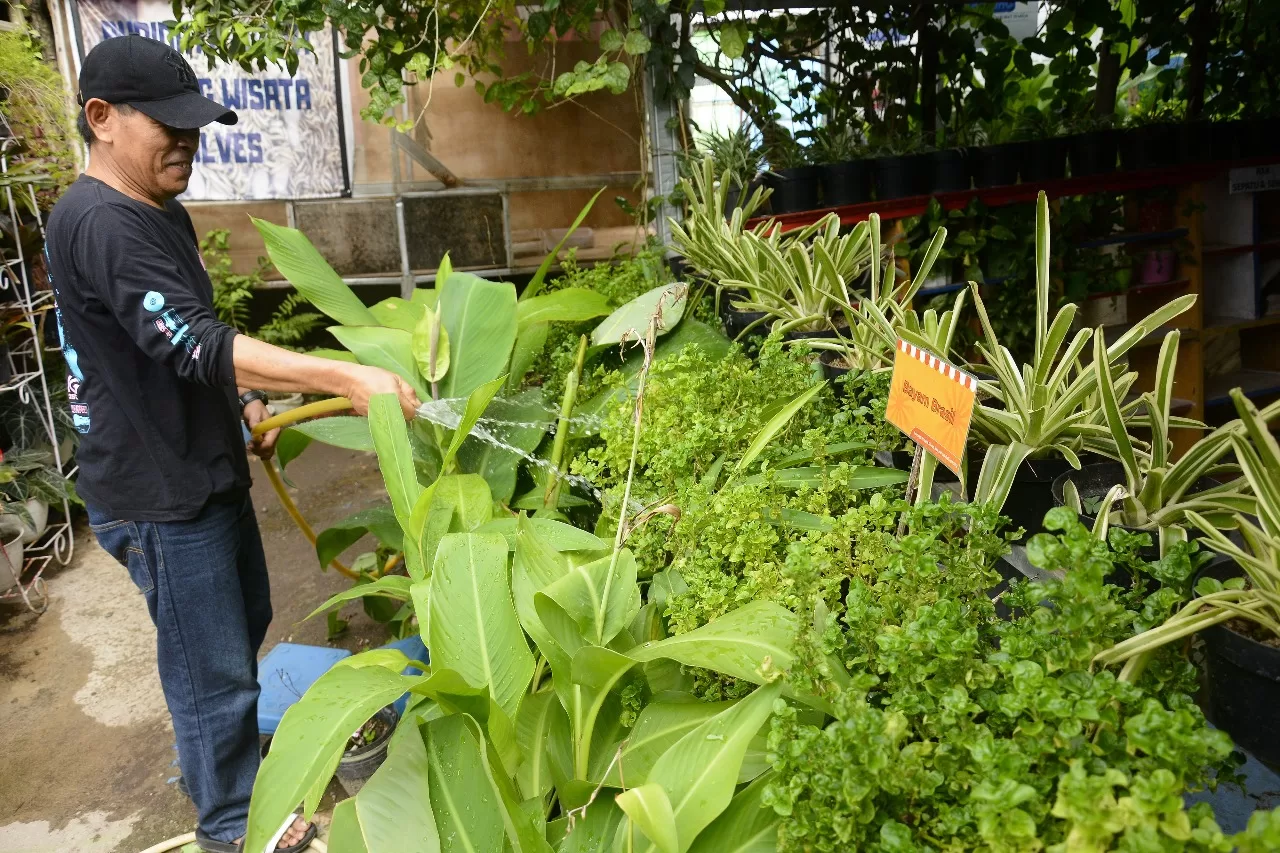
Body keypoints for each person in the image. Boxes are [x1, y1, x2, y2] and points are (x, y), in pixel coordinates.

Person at [43, 34, 420, 853]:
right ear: (101, 119)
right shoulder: (101, 222)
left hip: (196, 468)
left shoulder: (154, 212)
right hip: (159, 493)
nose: (187, 141)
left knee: (236, 628)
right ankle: (231, 829)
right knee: (209, 676)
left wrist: (245, 397)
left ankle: (228, 775)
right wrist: (345, 379)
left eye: (195, 125)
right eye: (167, 125)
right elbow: (194, 342)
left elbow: (182, 331)